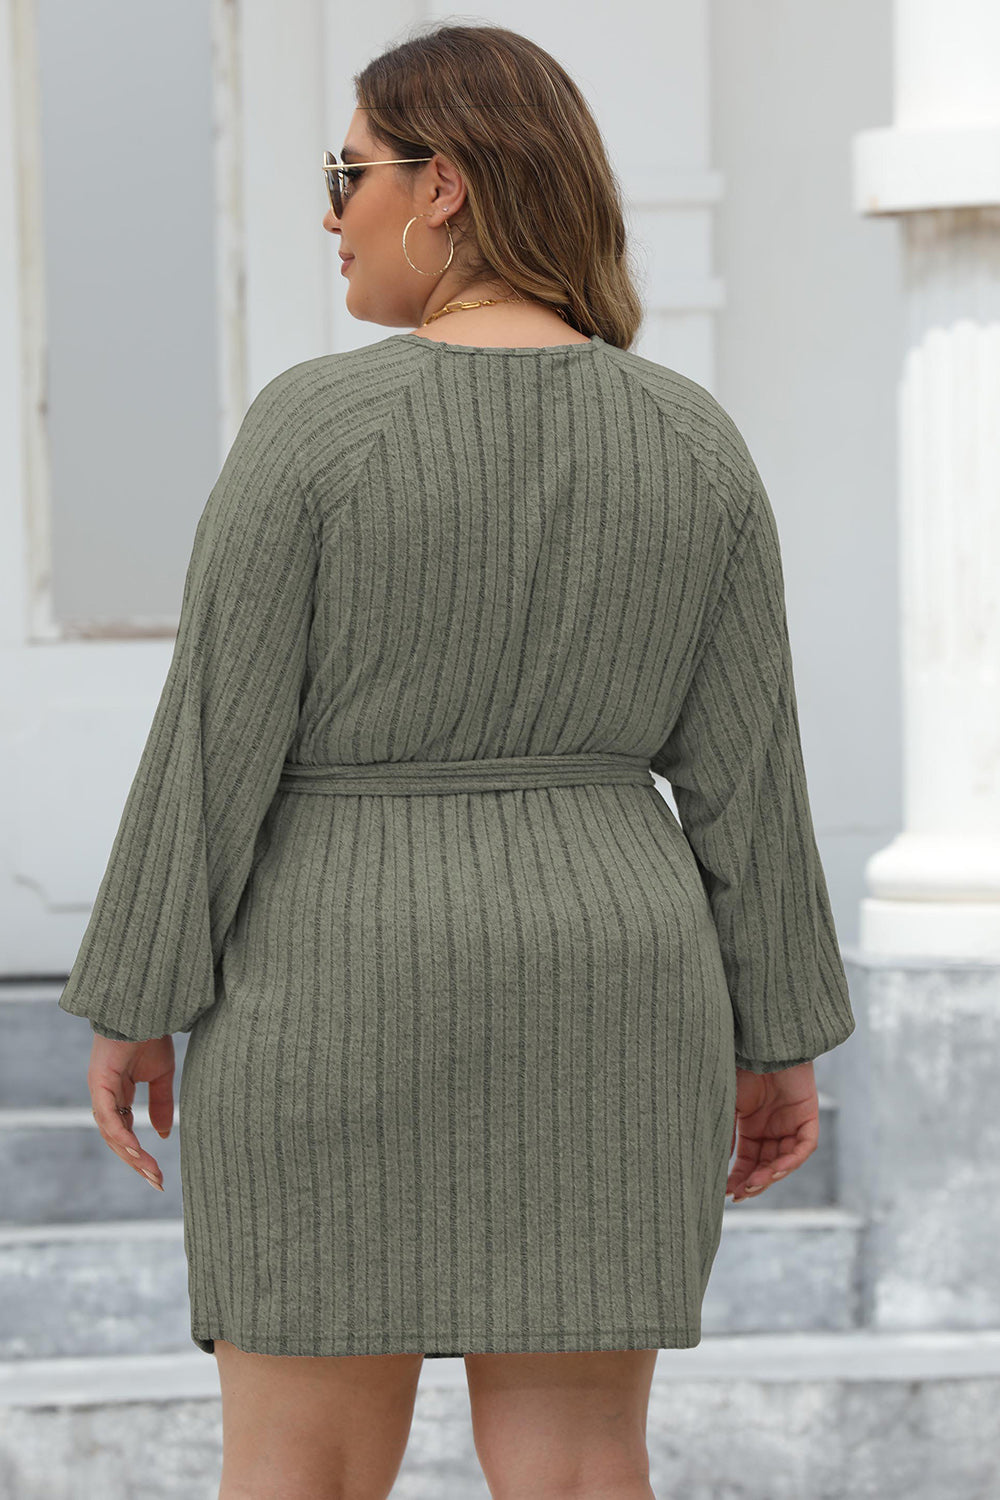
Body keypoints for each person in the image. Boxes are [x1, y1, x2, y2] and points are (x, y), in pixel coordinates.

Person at [58, 21, 856, 1500]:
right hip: (614, 989)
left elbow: (211, 743)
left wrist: (135, 999)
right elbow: (751, 775)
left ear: (445, 187)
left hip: (331, 981)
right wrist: (779, 1033)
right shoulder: (692, 441)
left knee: (298, 1468)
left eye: (347, 172)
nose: (331, 212)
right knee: (583, 1467)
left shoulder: (316, 428)